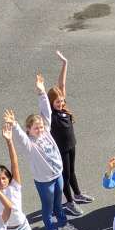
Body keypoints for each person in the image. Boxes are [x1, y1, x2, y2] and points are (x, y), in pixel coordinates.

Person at [12, 108, 81, 230]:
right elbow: (20, 137)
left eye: (41, 127)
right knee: (48, 208)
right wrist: (14, 124)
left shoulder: (46, 133)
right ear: (28, 130)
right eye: (36, 128)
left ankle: (62, 224)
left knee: (58, 203)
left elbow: (46, 112)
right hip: (44, 181)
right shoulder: (29, 144)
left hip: (57, 175)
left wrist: (42, 96)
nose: (40, 130)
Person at [37, 51, 93, 217]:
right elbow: (44, 105)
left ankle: (77, 194)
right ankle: (69, 202)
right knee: (65, 175)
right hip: (60, 149)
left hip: (71, 145)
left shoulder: (63, 108)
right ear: (51, 102)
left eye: (62, 101)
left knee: (72, 171)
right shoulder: (50, 115)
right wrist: (41, 91)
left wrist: (65, 63)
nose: (60, 103)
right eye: (57, 102)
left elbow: (61, 84)